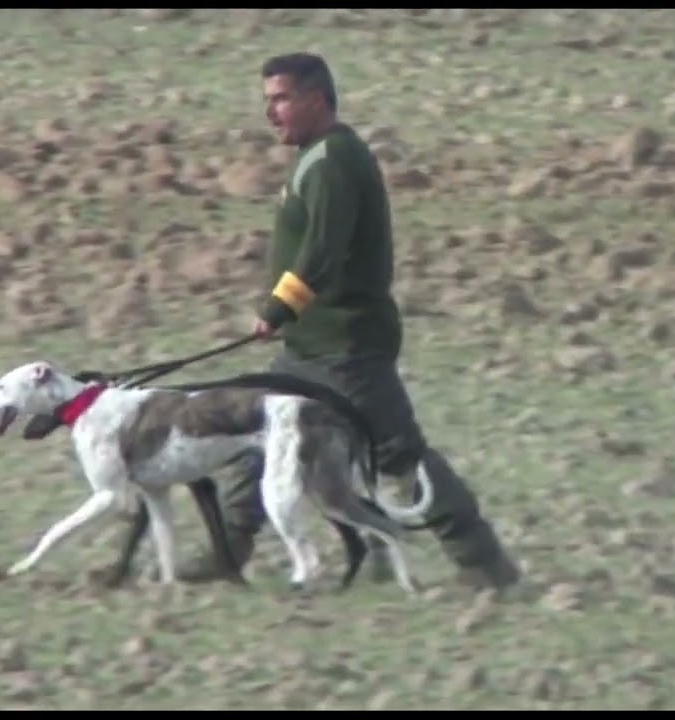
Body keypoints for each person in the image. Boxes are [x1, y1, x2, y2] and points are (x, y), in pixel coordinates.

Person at [173, 52, 522, 592]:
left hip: (347, 344)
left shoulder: (334, 160)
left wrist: (278, 308)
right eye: (268, 100)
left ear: (316, 99)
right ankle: (228, 550)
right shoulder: (317, 155)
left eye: (281, 99)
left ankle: (483, 563)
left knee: (399, 453)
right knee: (258, 433)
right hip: (311, 345)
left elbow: (322, 250)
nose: (271, 114)